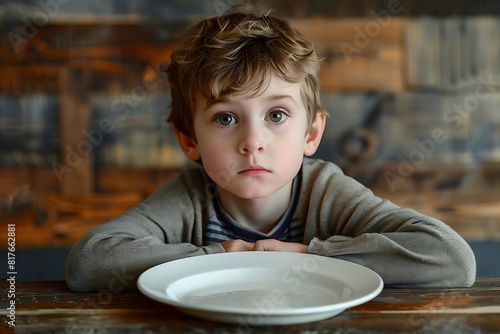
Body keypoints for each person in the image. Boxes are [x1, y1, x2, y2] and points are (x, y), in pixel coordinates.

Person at [65, 9, 476, 292]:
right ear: (189, 140)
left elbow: (451, 259)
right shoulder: (191, 198)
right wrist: (218, 255)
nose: (252, 141)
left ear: (311, 133)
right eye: (226, 118)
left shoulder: (325, 192)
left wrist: (308, 256)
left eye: (276, 115)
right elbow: (88, 264)